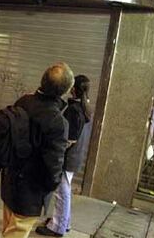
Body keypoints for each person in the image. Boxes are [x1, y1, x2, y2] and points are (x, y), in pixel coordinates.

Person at [1, 62, 75, 238]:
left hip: (10, 177)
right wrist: (50, 186)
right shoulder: (57, 121)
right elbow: (54, 163)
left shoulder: (23, 101)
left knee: (8, 228)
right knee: (16, 232)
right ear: (64, 91)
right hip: (31, 189)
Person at [36, 75, 92, 237]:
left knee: (62, 192)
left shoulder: (74, 110)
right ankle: (63, 221)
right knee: (63, 190)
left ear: (74, 89)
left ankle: (58, 226)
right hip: (74, 157)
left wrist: (56, 150)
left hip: (67, 157)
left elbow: (70, 138)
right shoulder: (84, 107)